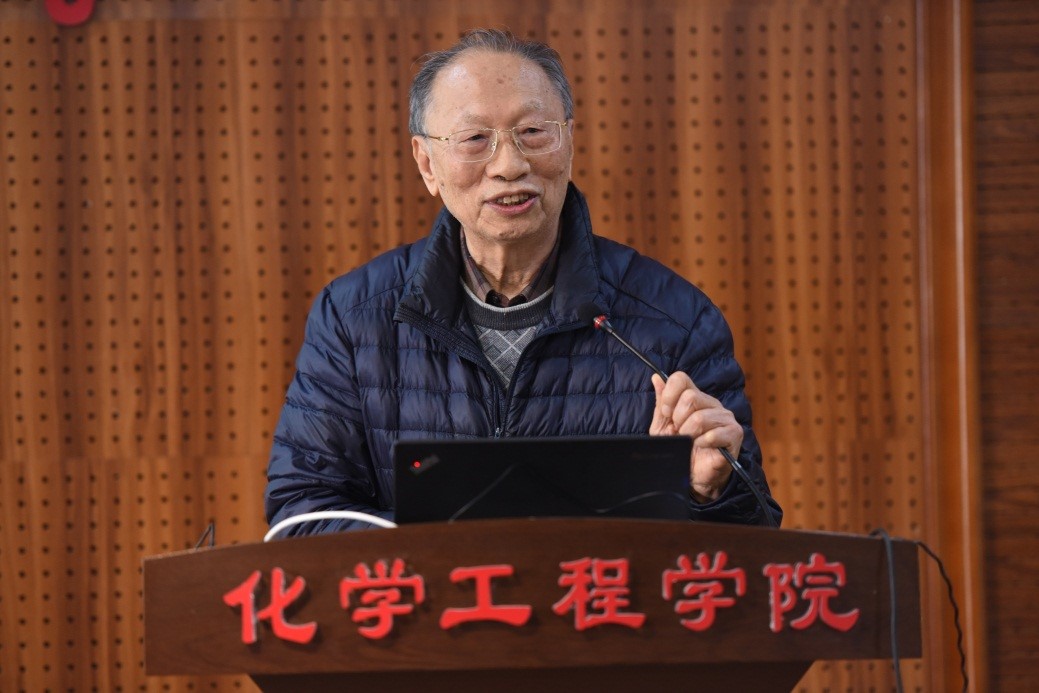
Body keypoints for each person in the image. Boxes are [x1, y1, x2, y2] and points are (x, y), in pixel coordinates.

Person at [264, 28, 783, 534]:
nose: (510, 165)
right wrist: (443, 561)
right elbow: (300, 514)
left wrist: (709, 493)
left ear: (569, 141)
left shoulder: (677, 321)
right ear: (427, 163)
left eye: (533, 132)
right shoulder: (352, 319)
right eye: (475, 139)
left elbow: (754, 537)